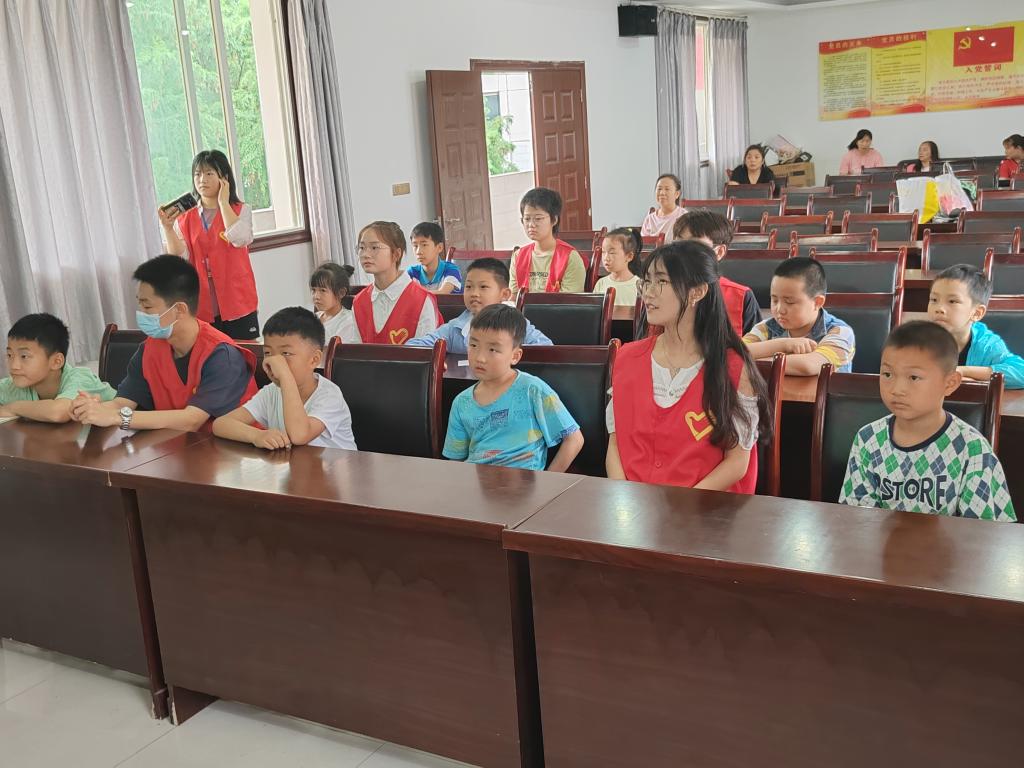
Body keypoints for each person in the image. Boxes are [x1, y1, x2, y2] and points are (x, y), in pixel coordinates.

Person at [605, 241, 772, 491]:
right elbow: (615, 444)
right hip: (633, 504)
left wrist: (681, 507)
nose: (648, 292)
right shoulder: (627, 357)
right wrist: (624, 499)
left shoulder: (733, 368)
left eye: (661, 281)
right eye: (646, 282)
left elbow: (737, 463)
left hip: (702, 506)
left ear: (697, 292)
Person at [839, 321, 1015, 521]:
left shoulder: (973, 450)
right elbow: (857, 519)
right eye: (887, 374)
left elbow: (982, 531)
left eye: (914, 377)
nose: (897, 389)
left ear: (950, 383)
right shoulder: (867, 439)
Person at [70, 255, 257, 432]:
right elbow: (123, 403)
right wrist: (91, 409)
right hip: (177, 446)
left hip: (237, 450)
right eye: (140, 305)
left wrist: (118, 417)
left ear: (179, 309)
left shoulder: (222, 355)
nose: (141, 313)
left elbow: (192, 420)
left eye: (147, 306)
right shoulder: (149, 349)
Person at [443, 304, 583, 471]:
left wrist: (549, 480)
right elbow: (455, 460)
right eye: (473, 345)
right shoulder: (461, 402)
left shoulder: (532, 390)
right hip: (476, 481)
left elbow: (574, 439)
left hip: (524, 482)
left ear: (515, 356)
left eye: (493, 349)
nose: (480, 358)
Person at [213, 307, 356, 450]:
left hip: (338, 464)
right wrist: (257, 435)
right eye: (268, 353)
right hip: (296, 463)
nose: (275, 361)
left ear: (314, 359)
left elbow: (299, 435)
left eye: (286, 353)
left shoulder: (329, 395)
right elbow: (221, 424)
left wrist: (285, 376)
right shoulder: (271, 392)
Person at [158, 149, 259, 340]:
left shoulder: (241, 210)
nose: (202, 179)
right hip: (202, 301)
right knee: (209, 351)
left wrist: (223, 202)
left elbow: (240, 239)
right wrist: (168, 228)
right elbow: (179, 255)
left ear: (224, 178)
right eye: (197, 174)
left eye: (209, 173)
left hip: (237, 297)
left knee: (245, 350)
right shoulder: (185, 217)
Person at [407, 258, 551, 353]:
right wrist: (435, 359)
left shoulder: (516, 324)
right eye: (469, 287)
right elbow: (415, 346)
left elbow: (546, 348)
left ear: (505, 294)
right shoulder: (455, 328)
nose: (474, 293)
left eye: (483, 287)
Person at [743, 257, 856, 375]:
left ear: (817, 303)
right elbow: (735, 352)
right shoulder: (766, 327)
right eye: (775, 300)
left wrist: (751, 361)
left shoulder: (840, 332)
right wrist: (784, 344)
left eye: (789, 302)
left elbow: (808, 366)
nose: (780, 309)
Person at [0, 313, 115, 423]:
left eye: (24, 356)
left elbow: (58, 412)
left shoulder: (80, 378)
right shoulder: (15, 385)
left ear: (56, 361)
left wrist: (13, 408)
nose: (14, 366)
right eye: (10, 355)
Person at [927, 264, 1024, 389]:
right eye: (934, 299)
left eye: (952, 301)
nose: (939, 308)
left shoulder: (987, 345)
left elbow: (1020, 372)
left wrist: (963, 371)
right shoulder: (918, 339)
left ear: (977, 313)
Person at [351, 221, 441, 344]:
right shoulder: (359, 301)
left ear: (396, 254)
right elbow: (356, 351)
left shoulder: (421, 300)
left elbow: (427, 351)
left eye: (374, 247)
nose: (365, 254)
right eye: (361, 248)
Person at [673, 210, 760, 335]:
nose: (682, 252)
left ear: (719, 252)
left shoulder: (742, 297)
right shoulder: (660, 290)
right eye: (678, 243)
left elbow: (756, 344)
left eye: (694, 245)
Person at [509, 187, 587, 294]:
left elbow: (569, 301)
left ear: (554, 220)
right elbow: (513, 296)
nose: (531, 225)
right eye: (527, 219)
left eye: (538, 218)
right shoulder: (518, 256)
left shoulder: (569, 257)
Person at [310, 263, 359, 345]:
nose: (316, 296)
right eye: (314, 290)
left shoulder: (349, 321)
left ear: (341, 293)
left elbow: (335, 351)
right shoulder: (313, 318)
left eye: (323, 290)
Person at [407, 222, 462, 294]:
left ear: (439, 247)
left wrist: (416, 295)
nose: (418, 251)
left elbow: (442, 293)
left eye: (424, 245)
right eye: (415, 246)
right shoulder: (412, 273)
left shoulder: (451, 269)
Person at [593, 227, 642, 307]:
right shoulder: (601, 283)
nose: (606, 258)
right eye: (603, 252)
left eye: (612, 253)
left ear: (629, 256)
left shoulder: (639, 286)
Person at [640, 174, 685, 238]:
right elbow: (643, 242)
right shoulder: (649, 219)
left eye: (667, 189)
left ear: (677, 194)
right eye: (659, 189)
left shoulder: (683, 216)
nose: (662, 193)